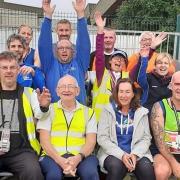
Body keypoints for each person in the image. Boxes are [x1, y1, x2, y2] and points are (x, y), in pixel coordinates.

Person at [37, 75, 99, 180]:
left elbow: (91, 142)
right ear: (57, 91)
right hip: (52, 156)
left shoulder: (88, 112)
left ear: (78, 91)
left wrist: (77, 158)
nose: (66, 90)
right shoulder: (48, 110)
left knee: (91, 174)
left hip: (81, 156)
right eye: (63, 87)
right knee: (53, 176)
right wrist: (61, 161)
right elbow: (44, 141)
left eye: (70, 86)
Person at [0, 51, 50, 180]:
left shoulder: (29, 93)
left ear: (18, 70)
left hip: (22, 151)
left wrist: (44, 106)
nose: (9, 71)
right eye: (4, 67)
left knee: (33, 172)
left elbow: (40, 116)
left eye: (12, 67)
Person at [97, 78, 155, 180]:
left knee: (146, 170)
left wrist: (135, 155)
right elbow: (102, 138)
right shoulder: (107, 110)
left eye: (127, 92)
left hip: (137, 153)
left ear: (133, 94)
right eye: (121, 92)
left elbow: (146, 138)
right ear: (117, 93)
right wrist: (122, 155)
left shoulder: (142, 112)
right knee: (116, 168)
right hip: (112, 153)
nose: (124, 95)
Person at [38, 0, 90, 104]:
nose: (64, 50)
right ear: (55, 50)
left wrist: (80, 14)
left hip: (78, 112)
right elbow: (43, 45)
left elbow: (84, 44)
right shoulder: (49, 64)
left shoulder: (79, 63)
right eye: (61, 48)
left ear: (73, 50)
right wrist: (48, 16)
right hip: (55, 112)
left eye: (67, 48)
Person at [92, 12, 128, 121]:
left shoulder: (127, 76)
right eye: (116, 58)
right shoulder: (102, 74)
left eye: (121, 59)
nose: (118, 60)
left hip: (120, 118)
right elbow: (99, 56)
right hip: (101, 119)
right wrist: (100, 31)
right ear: (110, 61)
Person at [151, 71, 180, 180]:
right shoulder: (159, 106)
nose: (179, 88)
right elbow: (160, 142)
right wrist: (174, 164)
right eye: (177, 84)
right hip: (163, 151)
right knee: (162, 171)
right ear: (171, 85)